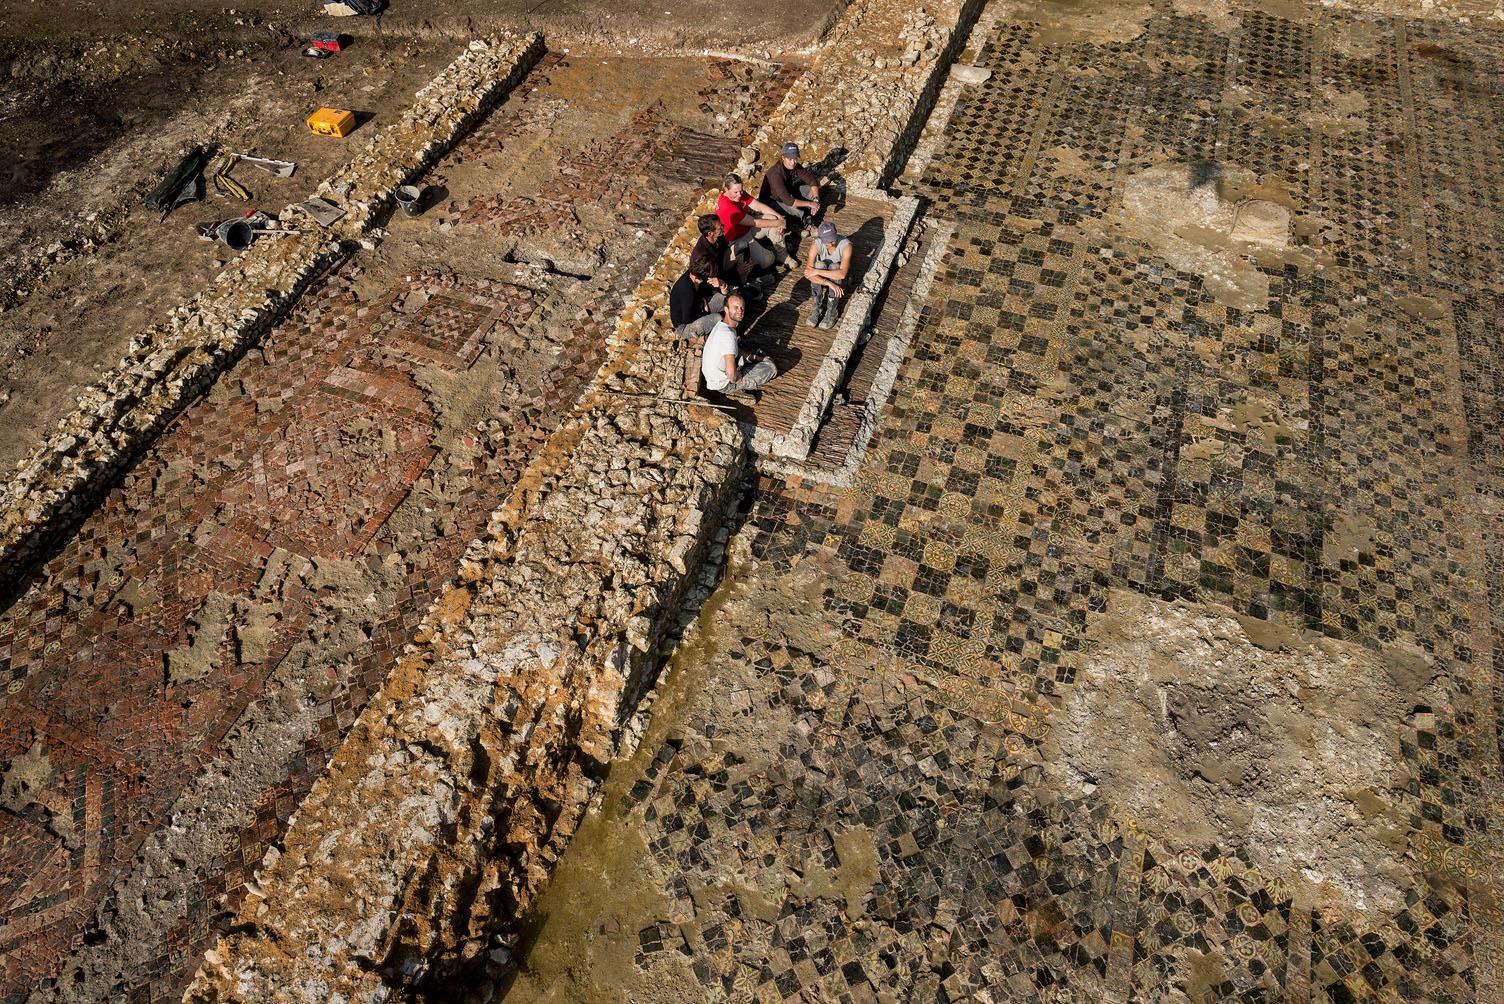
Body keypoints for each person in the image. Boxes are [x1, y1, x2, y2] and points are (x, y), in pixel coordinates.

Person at [702, 294, 776, 400]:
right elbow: (731, 373)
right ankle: (736, 390)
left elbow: (736, 349)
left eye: (742, 307)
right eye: (735, 307)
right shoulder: (728, 335)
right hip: (724, 383)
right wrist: (738, 377)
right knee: (771, 367)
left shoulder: (721, 325)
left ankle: (747, 366)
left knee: (752, 352)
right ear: (726, 309)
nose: (740, 310)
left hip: (713, 377)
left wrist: (758, 358)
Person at [716, 173, 787, 272]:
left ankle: (783, 255)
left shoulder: (737, 194)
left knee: (772, 218)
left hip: (746, 229)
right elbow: (754, 222)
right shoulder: (728, 207)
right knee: (768, 260)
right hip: (737, 239)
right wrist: (779, 223)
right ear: (726, 190)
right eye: (736, 192)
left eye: (741, 191)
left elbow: (758, 206)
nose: (740, 194)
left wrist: (779, 218)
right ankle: (757, 258)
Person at [759, 142, 822, 229]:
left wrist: (816, 199)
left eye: (795, 158)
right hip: (772, 201)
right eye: (790, 159)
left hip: (788, 193)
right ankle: (804, 221)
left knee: (812, 190)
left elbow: (812, 180)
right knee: (795, 210)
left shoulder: (795, 166)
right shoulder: (775, 174)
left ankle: (808, 209)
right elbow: (788, 201)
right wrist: (810, 203)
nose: (793, 162)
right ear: (783, 157)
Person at [803, 220, 852, 330]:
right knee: (819, 264)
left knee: (834, 267)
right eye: (826, 241)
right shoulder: (816, 244)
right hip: (827, 279)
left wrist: (817, 272)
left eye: (832, 240)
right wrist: (828, 283)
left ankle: (832, 310)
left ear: (836, 235)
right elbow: (808, 273)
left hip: (839, 278)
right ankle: (817, 307)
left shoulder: (846, 245)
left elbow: (842, 274)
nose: (829, 244)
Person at [670, 258, 725, 340]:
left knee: (724, 299)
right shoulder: (687, 291)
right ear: (699, 278)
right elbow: (687, 319)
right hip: (685, 326)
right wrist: (704, 313)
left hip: (699, 306)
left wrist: (704, 301)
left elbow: (700, 292)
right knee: (717, 318)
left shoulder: (693, 274)